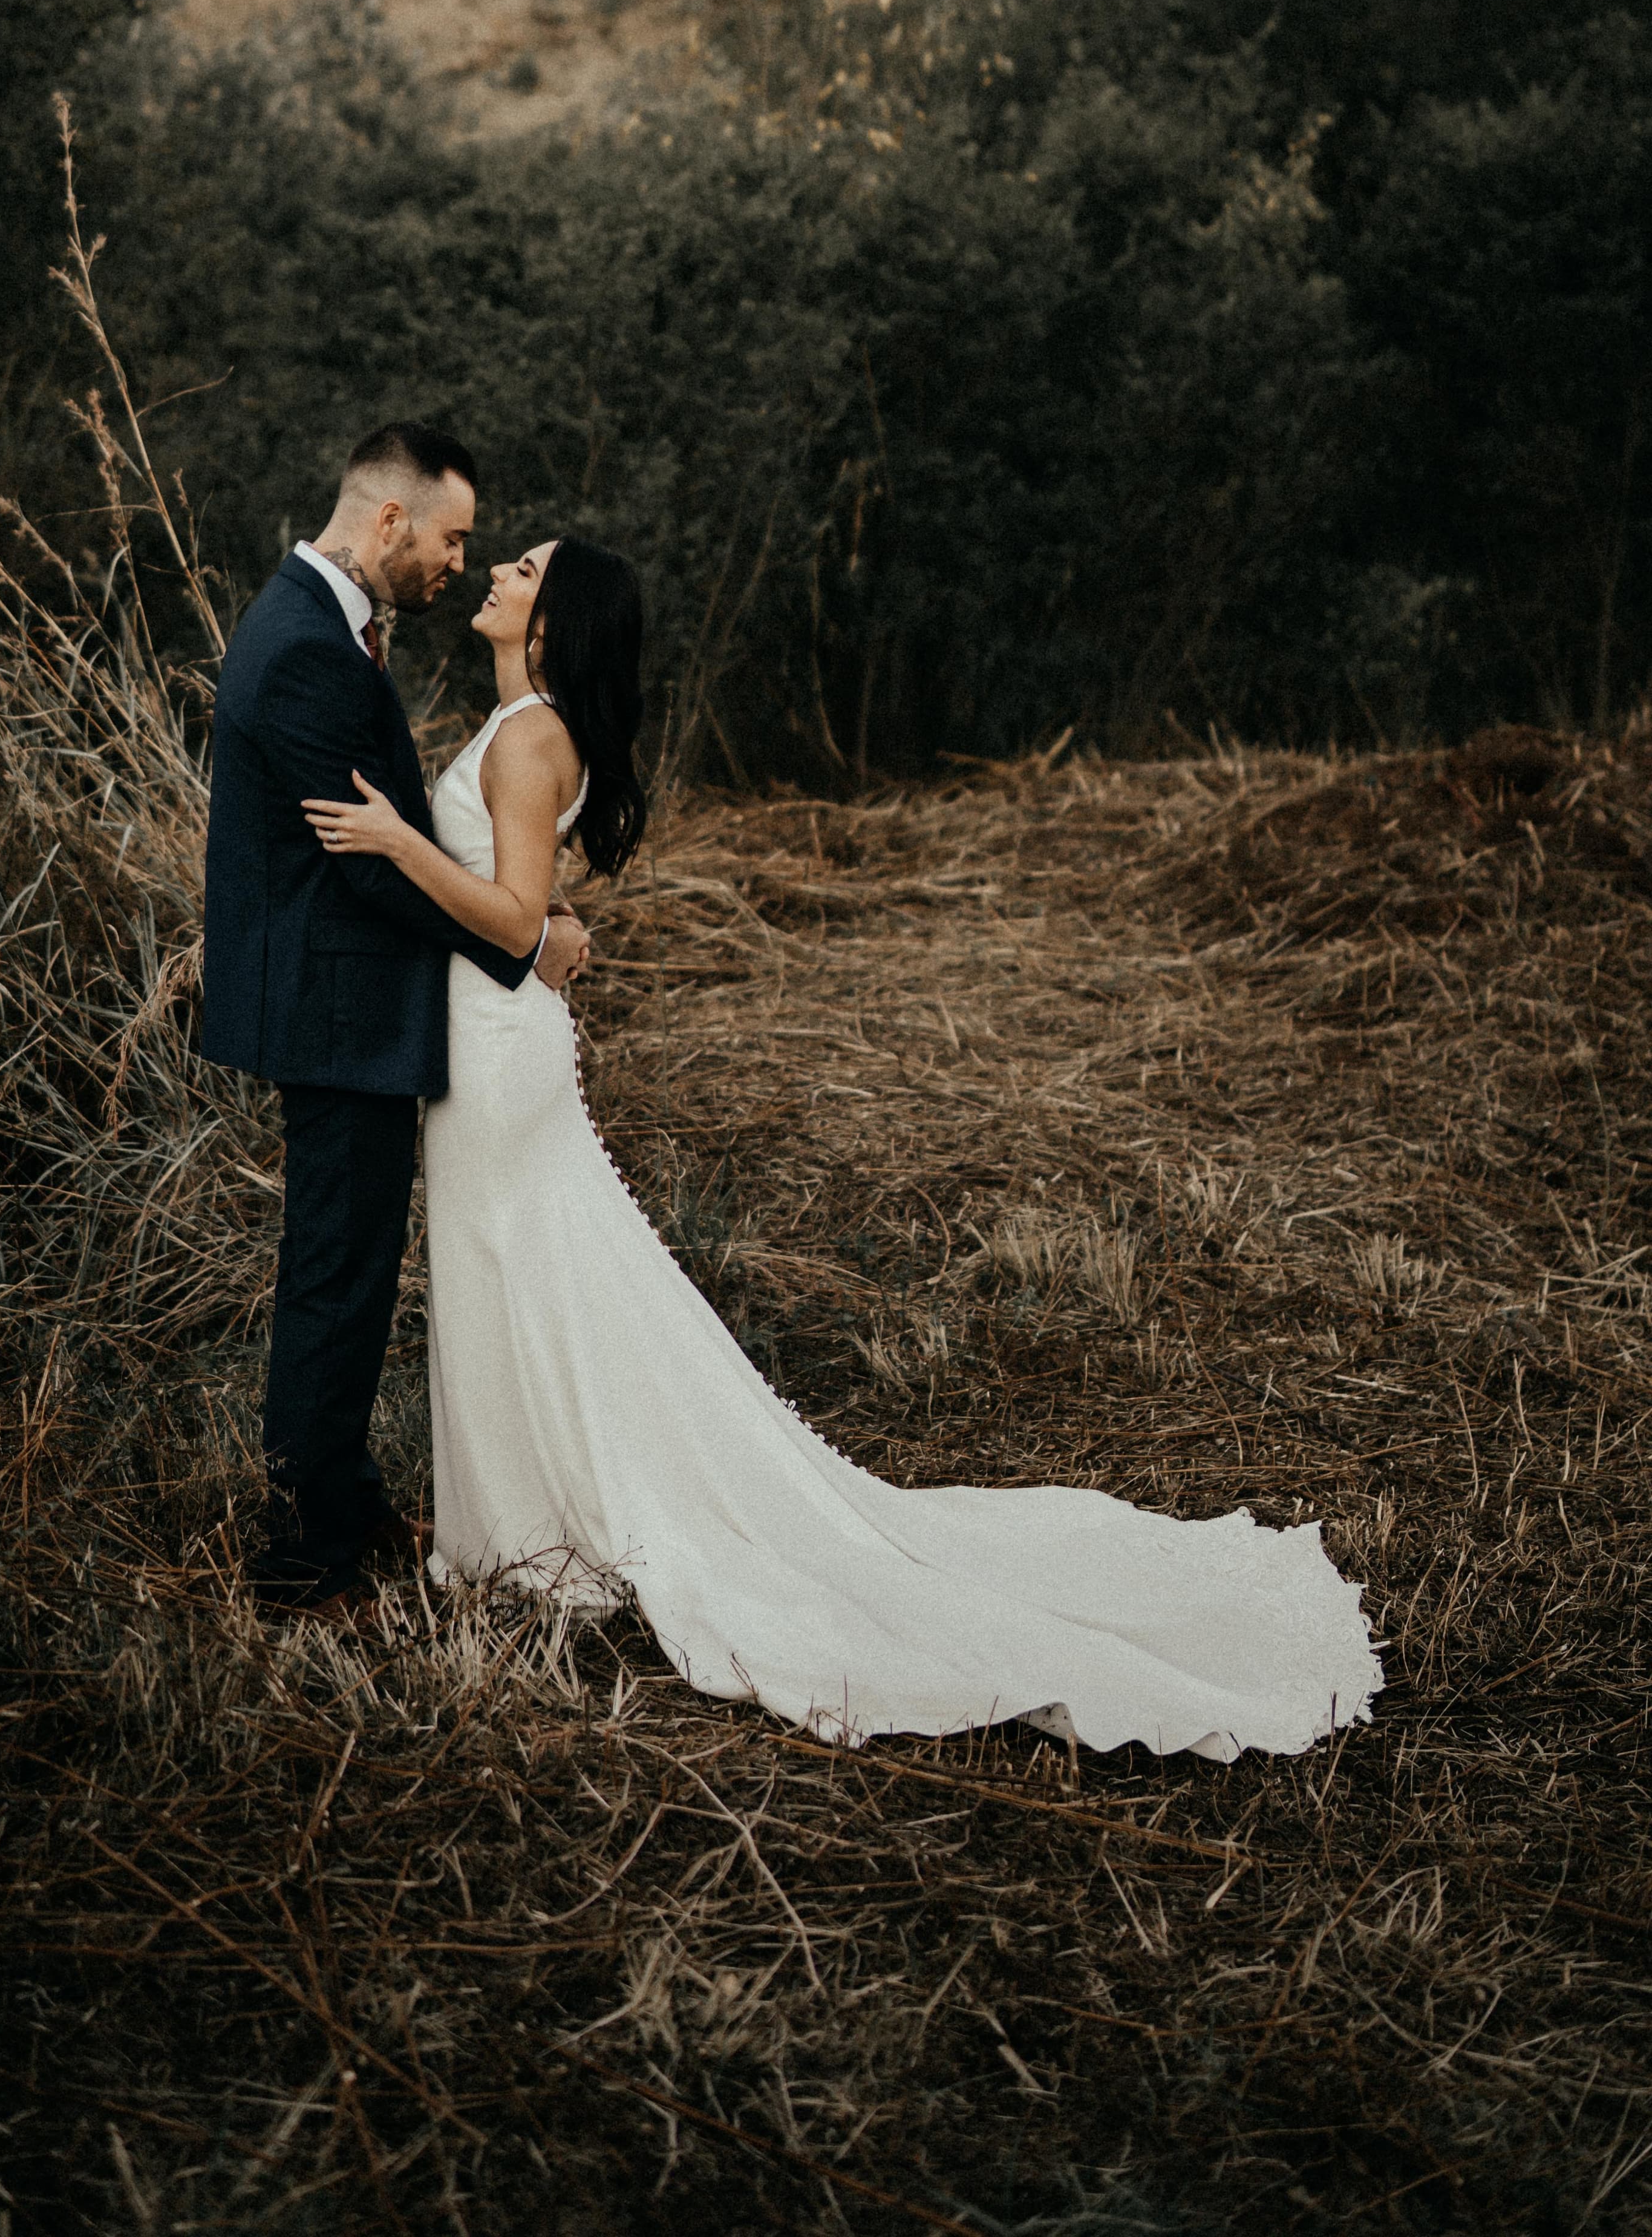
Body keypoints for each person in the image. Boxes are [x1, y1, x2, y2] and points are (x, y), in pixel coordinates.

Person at [304, 536, 1383, 1761]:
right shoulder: (528, 728)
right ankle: (523, 1533)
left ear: (557, 621)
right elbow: (524, 900)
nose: (499, 569)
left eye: (527, 568)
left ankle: (537, 1541)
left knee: (519, 1278)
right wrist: (546, 917)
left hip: (497, 1054)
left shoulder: (535, 733)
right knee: (524, 1283)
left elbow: (500, 916)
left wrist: (404, 847)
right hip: (493, 1042)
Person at [203, 424, 591, 1614]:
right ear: (387, 524)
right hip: (337, 1014)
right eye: (451, 540)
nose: (457, 567)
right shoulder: (310, 647)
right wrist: (524, 941)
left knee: (353, 1270)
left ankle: (343, 1496)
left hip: (341, 1008)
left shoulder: (318, 624)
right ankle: (301, 1561)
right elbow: (369, 868)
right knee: (336, 1278)